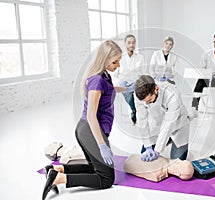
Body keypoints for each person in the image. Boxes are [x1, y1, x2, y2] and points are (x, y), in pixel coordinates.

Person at [41, 40, 135, 200]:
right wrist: (102, 145)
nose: (118, 65)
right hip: (89, 130)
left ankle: (57, 170)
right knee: (106, 179)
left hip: (90, 130)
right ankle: (59, 179)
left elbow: (109, 90)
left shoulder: (105, 76)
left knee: (94, 167)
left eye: (119, 61)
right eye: (115, 61)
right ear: (104, 59)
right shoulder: (96, 80)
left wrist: (126, 89)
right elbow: (91, 115)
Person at [134, 75, 193, 162]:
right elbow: (142, 120)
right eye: (144, 102)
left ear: (156, 89)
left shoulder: (172, 97)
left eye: (149, 101)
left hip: (178, 126)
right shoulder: (138, 96)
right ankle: (158, 143)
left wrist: (157, 151)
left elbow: (168, 126)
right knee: (145, 157)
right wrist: (148, 145)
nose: (146, 105)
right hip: (158, 125)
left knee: (177, 163)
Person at [116, 34, 146, 124]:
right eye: (129, 43)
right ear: (125, 44)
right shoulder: (120, 58)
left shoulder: (140, 58)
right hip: (124, 82)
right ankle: (133, 109)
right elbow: (115, 73)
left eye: (133, 42)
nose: (131, 45)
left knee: (136, 89)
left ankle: (135, 110)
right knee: (126, 91)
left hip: (136, 82)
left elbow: (143, 72)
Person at [124, 154, 194, 182]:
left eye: (179, 163)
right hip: (129, 162)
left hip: (129, 162)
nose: (178, 160)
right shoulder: (165, 162)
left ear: (178, 174)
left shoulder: (157, 174)